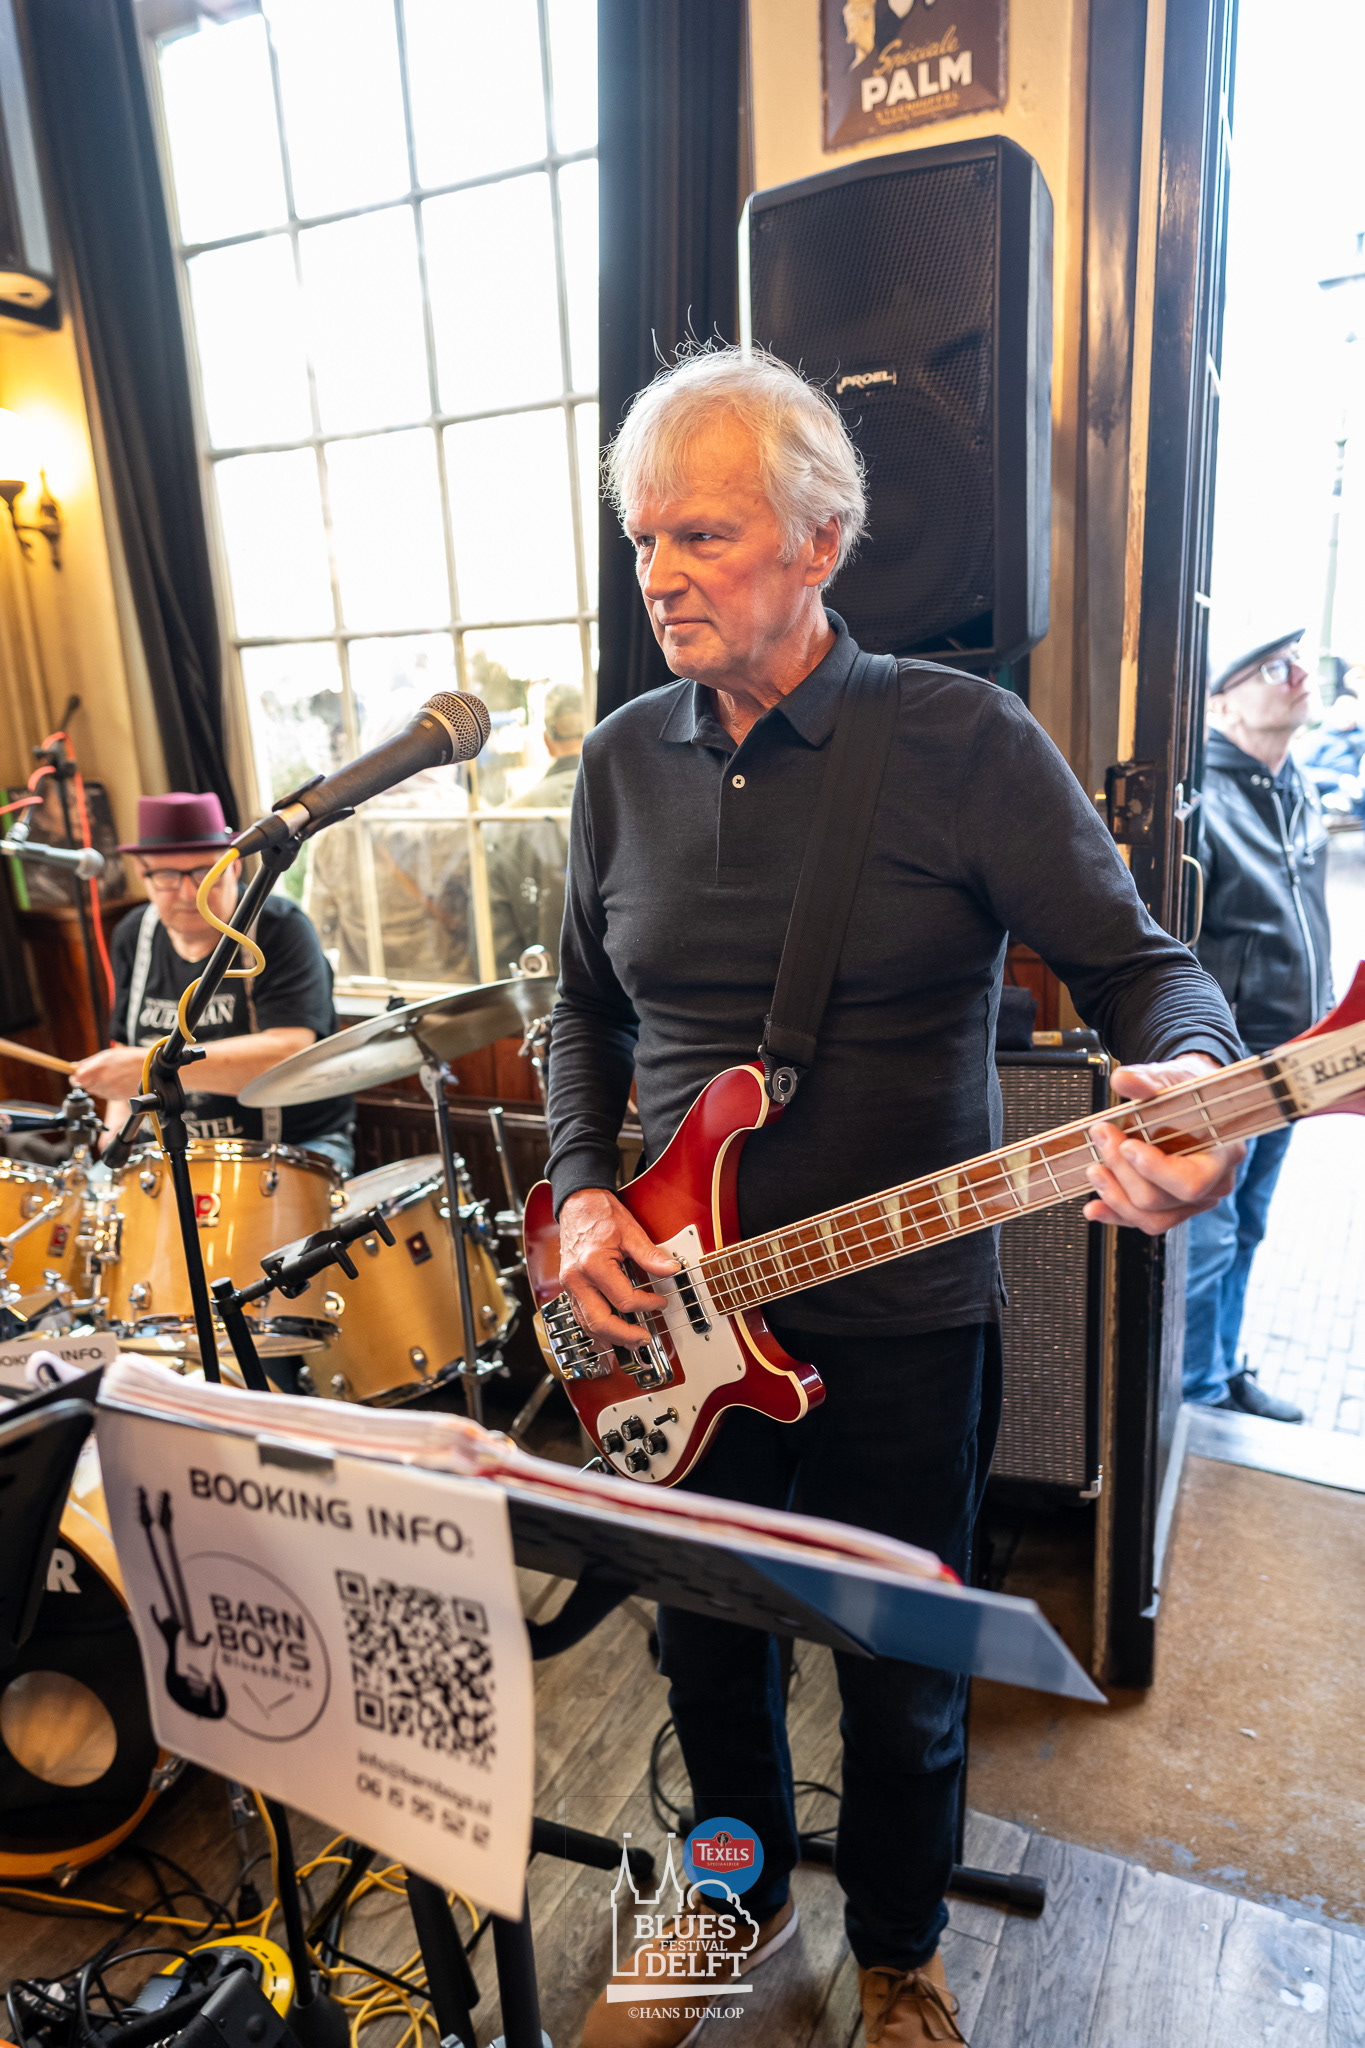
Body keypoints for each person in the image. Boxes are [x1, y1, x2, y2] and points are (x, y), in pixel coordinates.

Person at [545, 347, 1245, 2048]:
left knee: (899, 1665)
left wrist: (1199, 1103)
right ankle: (736, 1892)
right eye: (645, 538)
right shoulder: (621, 758)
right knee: (705, 1654)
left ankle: (906, 1945)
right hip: (669, 1323)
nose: (662, 574)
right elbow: (584, 1006)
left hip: (900, 1325)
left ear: (821, 541)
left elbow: (1156, 976)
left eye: (703, 532)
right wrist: (577, 1200)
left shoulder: (960, 741)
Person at [1184, 632, 1334, 1423]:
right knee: (1206, 1239)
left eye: (1297, 660)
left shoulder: (1292, 782)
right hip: (1234, 1059)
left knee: (1246, 1224)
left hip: (1298, 1052)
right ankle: (1199, 1403)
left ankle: (1221, 1369)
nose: (1298, 676)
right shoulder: (1203, 792)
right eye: (1274, 668)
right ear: (1220, 701)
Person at [73, 792, 355, 1173]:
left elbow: (287, 1053)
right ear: (144, 876)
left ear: (235, 869)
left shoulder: (280, 928)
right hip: (168, 1148)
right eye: (169, 877)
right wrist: (118, 1116)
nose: (190, 893)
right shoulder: (133, 934)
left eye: (207, 872)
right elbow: (127, 1042)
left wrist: (151, 1067)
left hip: (289, 1149)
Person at [486, 682, 584, 976]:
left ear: (547, 741)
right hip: (629, 1005)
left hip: (543, 997)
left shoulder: (502, 823)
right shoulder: (635, 802)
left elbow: (498, 944)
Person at [1299, 685, 1364, 825]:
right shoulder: (1316, 738)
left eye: (1353, 709)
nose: (1348, 714)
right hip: (1329, 790)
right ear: (1332, 710)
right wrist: (1339, 779)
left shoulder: (1360, 735)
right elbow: (1301, 771)